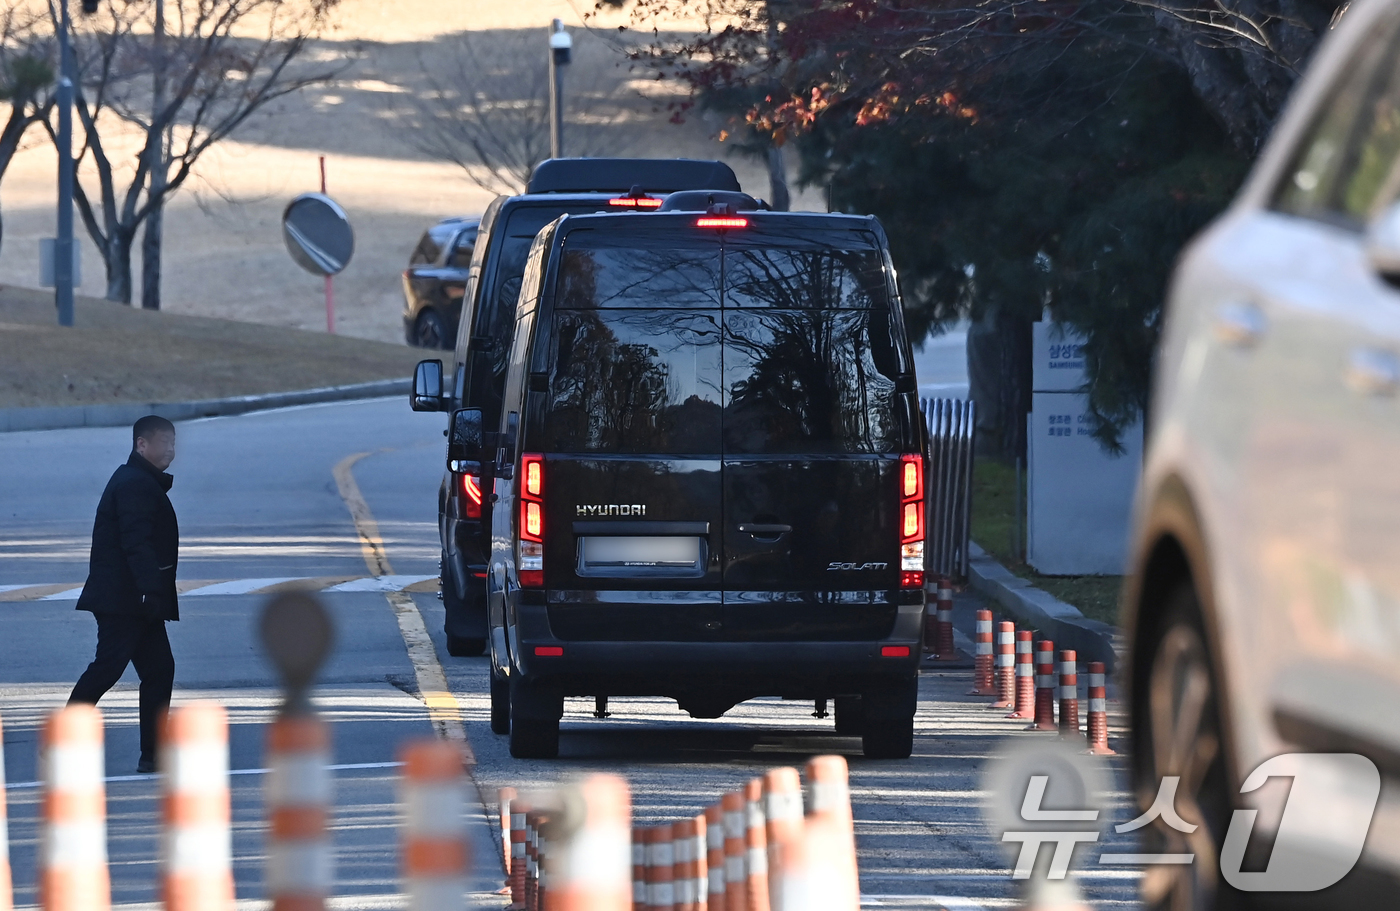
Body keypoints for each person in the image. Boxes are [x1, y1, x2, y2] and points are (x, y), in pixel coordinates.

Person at [70, 415, 180, 773]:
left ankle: (154, 755)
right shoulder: (135, 484)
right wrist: (150, 591)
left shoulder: (139, 480)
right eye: (163, 443)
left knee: (159, 669)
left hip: (135, 597)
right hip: (127, 599)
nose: (170, 450)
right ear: (141, 445)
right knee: (107, 668)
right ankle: (64, 741)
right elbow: (136, 542)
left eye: (173, 443)